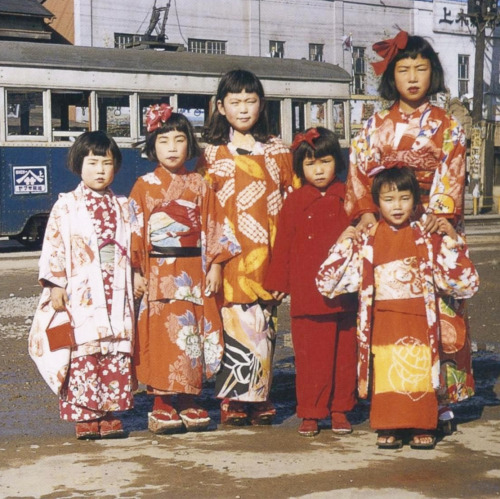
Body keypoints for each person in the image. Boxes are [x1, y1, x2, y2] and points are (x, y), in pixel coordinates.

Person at [345, 31, 470, 430]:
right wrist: (365, 211)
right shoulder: (375, 126)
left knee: (442, 309)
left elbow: (452, 175)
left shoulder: (448, 125)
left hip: (431, 224)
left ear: (432, 74)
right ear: (391, 78)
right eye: (404, 70)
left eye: (421, 69)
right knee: (394, 314)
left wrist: (441, 215)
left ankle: (442, 396)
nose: (413, 77)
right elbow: (360, 173)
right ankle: (396, 394)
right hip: (389, 224)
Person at [317, 166, 479, 449]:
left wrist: (449, 236)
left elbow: (463, 282)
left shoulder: (425, 237)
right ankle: (388, 425)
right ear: (376, 202)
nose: (397, 206)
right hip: (383, 317)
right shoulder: (368, 237)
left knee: (418, 370)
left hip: (419, 315)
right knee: (388, 370)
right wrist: (344, 242)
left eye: (405, 198)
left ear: (416, 201)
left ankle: (421, 424)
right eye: (389, 199)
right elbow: (327, 283)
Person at [129, 104, 240, 435]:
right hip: (159, 268)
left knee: (191, 332)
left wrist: (217, 265)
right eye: (164, 141)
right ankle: (162, 402)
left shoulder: (198, 184)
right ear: (153, 146)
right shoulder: (143, 185)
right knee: (161, 334)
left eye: (179, 140)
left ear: (189, 145)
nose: (172, 148)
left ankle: (190, 397)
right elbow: (135, 232)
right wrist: (136, 271)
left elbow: (215, 226)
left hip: (192, 267)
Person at [198, 69, 299, 425]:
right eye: (235, 102)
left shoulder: (277, 151)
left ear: (261, 104)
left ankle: (259, 395)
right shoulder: (209, 154)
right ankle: (232, 400)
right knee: (230, 323)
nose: (243, 109)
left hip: (267, 252)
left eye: (250, 101)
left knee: (263, 323)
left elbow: (293, 200)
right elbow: (201, 208)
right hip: (225, 254)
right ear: (220, 107)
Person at [28, 131, 135, 440]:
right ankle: (86, 414)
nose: (100, 170)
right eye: (92, 163)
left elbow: (136, 246)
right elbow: (55, 245)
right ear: (78, 165)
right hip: (81, 290)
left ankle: (111, 411)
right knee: (83, 349)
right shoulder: (67, 206)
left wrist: (138, 273)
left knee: (115, 346)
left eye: (107, 163)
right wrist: (55, 284)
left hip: (117, 286)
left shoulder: (124, 206)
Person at [264, 127, 358, 437]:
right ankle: (311, 411)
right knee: (310, 359)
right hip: (307, 293)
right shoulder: (294, 201)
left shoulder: (348, 196)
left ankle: (340, 409)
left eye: (325, 161)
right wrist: (278, 281)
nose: (318, 170)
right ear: (300, 168)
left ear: (338, 163)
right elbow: (283, 245)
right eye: (309, 164)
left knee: (344, 356)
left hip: (344, 292)